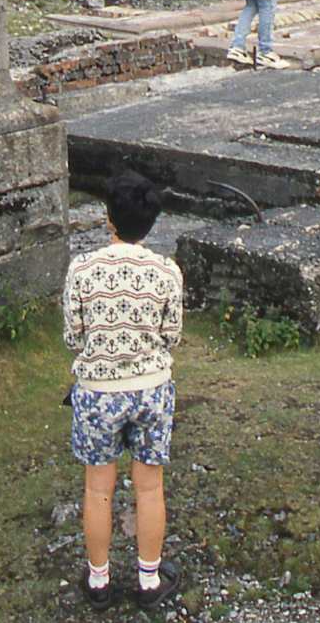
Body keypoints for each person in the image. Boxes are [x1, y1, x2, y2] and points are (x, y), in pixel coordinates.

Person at [62, 170, 186, 611]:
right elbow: (171, 334)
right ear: (150, 223)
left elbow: (73, 338)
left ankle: (99, 581)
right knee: (149, 487)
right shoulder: (167, 271)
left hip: (98, 392)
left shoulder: (82, 269)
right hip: (151, 389)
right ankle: (149, 580)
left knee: (98, 488)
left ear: (108, 218)